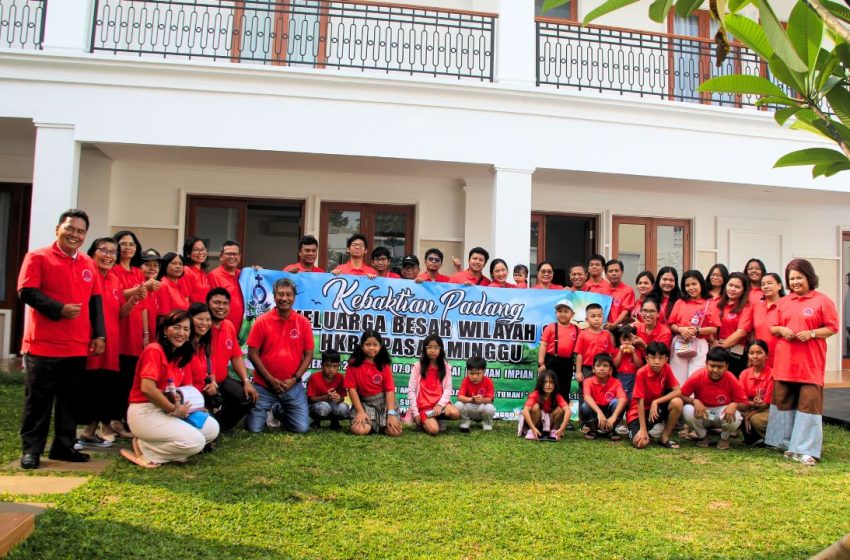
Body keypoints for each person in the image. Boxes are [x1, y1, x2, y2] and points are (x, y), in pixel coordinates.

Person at [18, 209, 105, 469]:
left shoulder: (88, 263)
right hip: (43, 345)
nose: (75, 235)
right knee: (38, 401)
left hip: (76, 346)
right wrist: (59, 309)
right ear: (58, 229)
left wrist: (99, 334)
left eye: (80, 231)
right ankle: (32, 450)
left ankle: (64, 447)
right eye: (70, 229)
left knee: (69, 401)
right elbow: (27, 292)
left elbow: (95, 302)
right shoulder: (38, 257)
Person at [121, 310, 220, 468]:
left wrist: (193, 408)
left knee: (211, 429)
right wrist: (174, 409)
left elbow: (185, 389)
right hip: (144, 411)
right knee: (196, 442)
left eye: (186, 329)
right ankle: (147, 450)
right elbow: (147, 388)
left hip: (168, 410)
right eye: (176, 327)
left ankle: (157, 447)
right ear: (166, 329)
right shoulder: (154, 350)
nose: (181, 333)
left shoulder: (180, 355)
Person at [765, 259, 838, 466]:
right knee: (784, 401)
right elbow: (773, 327)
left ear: (809, 277)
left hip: (809, 363)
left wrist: (812, 333)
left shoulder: (822, 300)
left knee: (809, 404)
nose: (795, 282)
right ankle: (787, 444)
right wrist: (782, 330)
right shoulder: (784, 301)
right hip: (785, 362)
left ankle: (806, 449)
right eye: (792, 278)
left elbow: (832, 327)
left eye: (799, 277)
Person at [79, 237, 139, 448]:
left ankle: (92, 431)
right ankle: (87, 429)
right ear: (92, 252)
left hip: (111, 343)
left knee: (105, 385)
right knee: (91, 385)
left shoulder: (113, 278)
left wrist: (133, 300)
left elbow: (120, 313)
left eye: (112, 252)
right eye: (103, 250)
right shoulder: (87, 275)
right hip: (92, 342)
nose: (108, 255)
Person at [245, 278, 313, 434]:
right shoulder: (262, 321)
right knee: (254, 429)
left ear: (294, 297)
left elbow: (308, 355)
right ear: (274, 296)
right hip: (264, 385)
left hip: (292, 386)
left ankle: (278, 411)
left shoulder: (303, 322)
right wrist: (269, 379)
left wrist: (295, 379)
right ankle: (269, 408)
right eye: (280, 294)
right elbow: (252, 353)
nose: (284, 298)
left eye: (289, 294)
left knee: (302, 428)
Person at [110, 231, 155, 439]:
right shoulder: (113, 271)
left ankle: (126, 418)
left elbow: (144, 306)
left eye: (131, 244)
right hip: (120, 329)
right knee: (118, 379)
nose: (128, 247)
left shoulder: (137, 272)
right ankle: (114, 420)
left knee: (131, 378)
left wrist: (146, 333)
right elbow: (119, 295)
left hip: (137, 332)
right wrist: (140, 288)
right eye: (123, 244)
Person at [205, 287, 258, 431]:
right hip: (205, 383)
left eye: (225, 303)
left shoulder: (228, 326)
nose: (221, 307)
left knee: (248, 397)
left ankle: (220, 428)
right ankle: (210, 425)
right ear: (208, 304)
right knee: (209, 405)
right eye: (216, 303)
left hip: (223, 380)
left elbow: (236, 356)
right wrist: (211, 381)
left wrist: (246, 381)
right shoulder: (203, 327)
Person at [677, 347, 747, 450]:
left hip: (720, 414)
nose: (715, 370)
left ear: (727, 366)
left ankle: (724, 437)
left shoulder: (731, 378)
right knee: (687, 409)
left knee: (736, 416)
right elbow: (681, 394)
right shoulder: (698, 375)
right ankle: (702, 436)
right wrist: (694, 401)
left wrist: (734, 404)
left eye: (720, 367)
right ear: (706, 364)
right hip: (704, 413)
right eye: (712, 366)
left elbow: (745, 404)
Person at [345, 330, 403, 436]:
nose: (371, 348)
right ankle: (373, 425)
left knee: (395, 432)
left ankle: (381, 425)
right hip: (365, 403)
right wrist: (360, 412)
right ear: (362, 346)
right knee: (360, 430)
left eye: (375, 345)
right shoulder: (353, 364)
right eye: (368, 344)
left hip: (384, 402)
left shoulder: (385, 364)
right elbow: (351, 389)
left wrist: (391, 413)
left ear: (380, 346)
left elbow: (389, 390)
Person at [627, 342, 683, 449]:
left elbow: (678, 391)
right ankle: (645, 429)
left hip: (655, 409)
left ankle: (664, 437)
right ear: (647, 358)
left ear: (666, 359)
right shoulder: (641, 373)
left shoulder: (667, 368)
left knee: (677, 402)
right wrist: (642, 429)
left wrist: (656, 402)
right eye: (653, 357)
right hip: (638, 413)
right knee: (641, 443)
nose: (656, 362)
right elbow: (640, 402)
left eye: (660, 358)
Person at [668, 270, 719, 384]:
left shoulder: (709, 303)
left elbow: (714, 328)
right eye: (687, 285)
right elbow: (671, 324)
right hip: (680, 342)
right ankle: (679, 401)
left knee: (696, 378)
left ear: (701, 283)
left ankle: (692, 401)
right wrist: (681, 329)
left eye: (694, 284)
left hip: (700, 343)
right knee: (677, 379)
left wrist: (696, 330)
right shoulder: (680, 302)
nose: (691, 288)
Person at [406, 335, 460, 435]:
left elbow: (448, 389)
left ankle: (437, 418)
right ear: (424, 349)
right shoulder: (418, 367)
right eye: (429, 347)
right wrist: (415, 412)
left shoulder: (446, 367)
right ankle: (424, 421)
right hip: (424, 407)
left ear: (441, 349)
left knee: (455, 413)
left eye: (436, 347)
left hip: (440, 405)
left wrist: (439, 405)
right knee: (434, 430)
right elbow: (411, 390)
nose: (432, 350)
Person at [538, 299, 580, 408]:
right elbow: (543, 345)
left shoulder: (576, 329)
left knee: (565, 388)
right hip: (552, 361)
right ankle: (546, 413)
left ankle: (563, 414)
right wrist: (541, 363)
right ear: (556, 313)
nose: (563, 314)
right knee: (549, 386)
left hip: (567, 362)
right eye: (560, 311)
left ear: (572, 314)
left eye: (566, 311)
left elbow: (581, 347)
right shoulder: (551, 327)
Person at [713, 272, 753, 375]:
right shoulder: (717, 304)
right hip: (715, 352)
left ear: (744, 290)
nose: (732, 289)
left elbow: (741, 332)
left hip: (735, 354)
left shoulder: (747, 307)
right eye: (730, 285)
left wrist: (721, 346)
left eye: (737, 287)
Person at [580, 353, 627, 440]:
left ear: (610, 370)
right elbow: (587, 397)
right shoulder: (588, 381)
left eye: (605, 366)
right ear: (593, 369)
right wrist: (599, 412)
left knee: (617, 402)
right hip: (596, 414)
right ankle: (594, 430)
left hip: (609, 414)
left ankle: (611, 430)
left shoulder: (616, 382)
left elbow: (623, 399)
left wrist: (614, 416)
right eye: (598, 366)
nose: (601, 368)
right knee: (584, 406)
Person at [739, 340, 773, 445]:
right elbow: (740, 398)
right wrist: (752, 404)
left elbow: (766, 404)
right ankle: (752, 438)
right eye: (751, 353)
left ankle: (771, 440)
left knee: (755, 419)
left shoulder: (772, 374)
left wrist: (749, 415)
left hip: (767, 410)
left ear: (766, 355)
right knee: (735, 410)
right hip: (750, 407)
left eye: (759, 353)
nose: (755, 356)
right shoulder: (744, 374)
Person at [518, 370, 569, 441]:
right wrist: (533, 428)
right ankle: (532, 432)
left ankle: (553, 432)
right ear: (540, 384)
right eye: (545, 382)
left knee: (560, 409)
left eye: (551, 382)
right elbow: (525, 411)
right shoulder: (535, 394)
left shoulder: (557, 396)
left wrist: (561, 429)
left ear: (555, 384)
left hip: (549, 423)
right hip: (536, 423)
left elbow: (568, 411)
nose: (548, 385)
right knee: (535, 407)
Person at [207, 240, 245, 333]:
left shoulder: (244, 275)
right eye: (228, 254)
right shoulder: (213, 276)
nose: (232, 257)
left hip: (243, 332)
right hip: (221, 329)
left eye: (235, 254)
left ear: (239, 257)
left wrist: (258, 272)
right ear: (221, 257)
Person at [306, 349, 350, 429]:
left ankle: (334, 421)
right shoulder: (314, 377)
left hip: (333, 405)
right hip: (317, 405)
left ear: (338, 366)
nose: (331, 369)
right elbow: (311, 399)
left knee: (343, 408)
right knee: (323, 407)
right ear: (322, 365)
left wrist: (338, 398)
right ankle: (316, 421)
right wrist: (326, 397)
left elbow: (342, 398)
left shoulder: (340, 377)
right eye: (328, 365)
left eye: (335, 366)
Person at [574, 303, 614, 383]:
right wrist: (578, 372)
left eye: (599, 316)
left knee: (602, 391)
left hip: (602, 368)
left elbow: (609, 354)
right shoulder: (583, 334)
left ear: (603, 318)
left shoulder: (607, 334)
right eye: (593, 316)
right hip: (587, 369)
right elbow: (579, 354)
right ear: (586, 319)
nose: (597, 319)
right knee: (586, 391)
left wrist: (610, 369)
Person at [455, 355, 496, 432]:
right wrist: (471, 399)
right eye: (472, 373)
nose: (475, 376)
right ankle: (465, 422)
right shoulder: (465, 380)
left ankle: (487, 423)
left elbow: (490, 399)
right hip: (470, 406)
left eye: (478, 373)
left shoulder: (488, 381)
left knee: (490, 407)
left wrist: (482, 400)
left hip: (482, 406)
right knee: (458, 404)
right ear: (467, 371)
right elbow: (460, 397)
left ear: (484, 371)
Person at [753, 272, 784, 367]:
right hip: (760, 358)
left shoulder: (787, 305)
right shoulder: (757, 306)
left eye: (769, 283)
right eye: (763, 284)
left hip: (782, 357)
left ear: (779, 286)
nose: (766, 286)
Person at [155, 252, 190, 323]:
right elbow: (163, 317)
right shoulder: (163, 285)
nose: (178, 266)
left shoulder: (179, 285)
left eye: (180, 264)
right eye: (174, 263)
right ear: (165, 265)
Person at [139, 249, 161, 349]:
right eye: (147, 264)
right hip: (140, 339)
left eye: (155, 265)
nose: (152, 268)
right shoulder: (137, 287)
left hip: (155, 341)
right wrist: (146, 334)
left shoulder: (160, 288)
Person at [613, 325, 641, 401]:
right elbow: (615, 364)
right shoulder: (616, 350)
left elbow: (639, 365)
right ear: (619, 340)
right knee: (621, 394)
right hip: (620, 376)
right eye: (624, 339)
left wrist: (634, 352)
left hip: (633, 377)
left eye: (629, 339)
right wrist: (620, 352)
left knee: (631, 396)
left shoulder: (636, 351)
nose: (627, 342)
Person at [604, 259, 635, 329]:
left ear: (622, 272)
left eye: (616, 271)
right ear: (606, 274)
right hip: (604, 329)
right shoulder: (602, 291)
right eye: (610, 271)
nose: (614, 273)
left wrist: (614, 325)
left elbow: (625, 311)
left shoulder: (628, 291)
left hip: (620, 329)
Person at [181, 236, 210, 303]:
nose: (200, 253)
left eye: (203, 249)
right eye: (196, 250)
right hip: (193, 312)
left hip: (204, 312)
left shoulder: (203, 272)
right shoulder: (186, 271)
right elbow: (185, 300)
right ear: (188, 254)